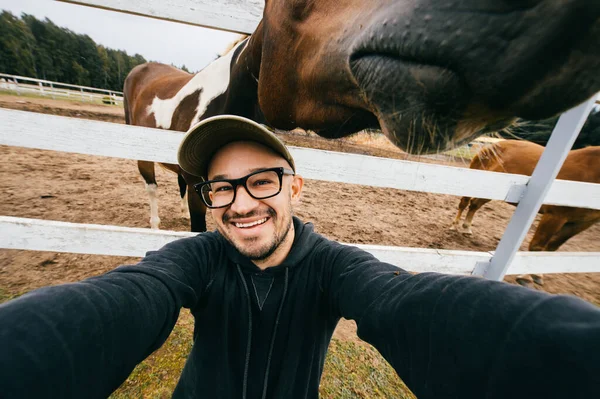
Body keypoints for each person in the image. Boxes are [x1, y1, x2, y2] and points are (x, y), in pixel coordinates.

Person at [0, 115, 599, 399]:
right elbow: (131, 296)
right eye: (222, 187)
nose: (240, 204)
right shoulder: (196, 260)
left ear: (295, 187)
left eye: (262, 181)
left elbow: (404, 301)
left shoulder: (335, 266)